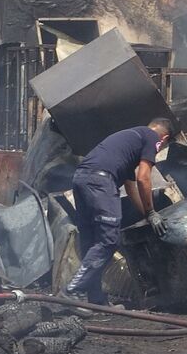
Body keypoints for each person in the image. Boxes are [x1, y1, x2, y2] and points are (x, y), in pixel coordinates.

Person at [64, 118, 174, 305]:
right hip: (100, 182)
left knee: (91, 241)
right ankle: (71, 290)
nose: (157, 151)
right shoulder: (152, 137)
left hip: (82, 179)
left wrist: (146, 215)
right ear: (164, 139)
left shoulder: (130, 140)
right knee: (109, 240)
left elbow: (131, 187)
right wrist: (153, 212)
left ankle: (95, 299)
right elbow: (143, 178)